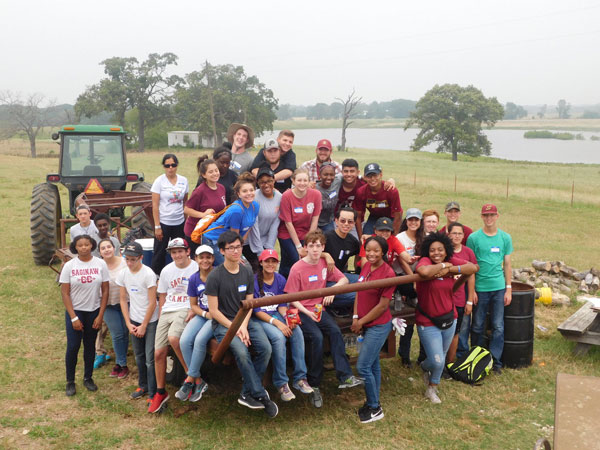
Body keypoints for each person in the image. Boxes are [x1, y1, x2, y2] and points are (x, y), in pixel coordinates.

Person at [285, 231, 363, 409]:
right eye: (311, 246)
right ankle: (314, 384)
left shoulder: (323, 263)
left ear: (323, 247)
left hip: (320, 309)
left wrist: (332, 290)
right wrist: (306, 311)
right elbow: (291, 297)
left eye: (318, 245)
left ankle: (345, 376)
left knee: (335, 332)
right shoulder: (297, 268)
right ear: (305, 248)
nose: (315, 249)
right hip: (302, 310)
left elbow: (343, 279)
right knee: (317, 338)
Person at [206, 231, 278, 418]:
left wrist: (243, 325)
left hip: (245, 321)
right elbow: (213, 311)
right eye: (231, 248)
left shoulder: (247, 271)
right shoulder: (215, 276)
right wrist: (235, 327)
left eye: (238, 247)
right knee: (242, 353)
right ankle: (261, 394)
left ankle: (247, 392)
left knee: (266, 348)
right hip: (224, 324)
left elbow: (249, 302)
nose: (236, 251)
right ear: (222, 251)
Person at [415, 232, 477, 404]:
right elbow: (424, 272)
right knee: (437, 360)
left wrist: (450, 269)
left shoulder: (450, 261)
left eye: (440, 250)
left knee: (440, 357)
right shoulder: (425, 261)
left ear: (446, 250)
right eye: (433, 250)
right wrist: (443, 265)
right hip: (427, 321)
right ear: (428, 251)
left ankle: (431, 389)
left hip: (450, 318)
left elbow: (473, 268)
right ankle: (424, 367)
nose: (436, 253)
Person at [253, 249, 313, 402]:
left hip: (277, 314)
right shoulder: (254, 280)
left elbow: (281, 305)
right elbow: (257, 311)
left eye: (274, 261)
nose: (270, 264)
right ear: (261, 263)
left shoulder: (280, 279)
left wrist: (287, 318)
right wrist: (277, 323)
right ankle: (281, 383)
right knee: (279, 337)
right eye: (267, 261)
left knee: (296, 331)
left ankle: (300, 378)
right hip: (262, 318)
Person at [148, 238, 198, 413]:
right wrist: (161, 313)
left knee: (174, 338)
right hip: (168, 309)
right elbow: (162, 295)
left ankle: (192, 378)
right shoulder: (167, 270)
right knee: (159, 352)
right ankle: (161, 392)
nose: (177, 255)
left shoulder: (196, 267)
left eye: (180, 251)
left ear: (187, 251)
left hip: (186, 307)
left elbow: (201, 291)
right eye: (173, 252)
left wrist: (195, 309)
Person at [351, 236, 395, 423]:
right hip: (363, 322)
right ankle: (373, 402)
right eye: (368, 250)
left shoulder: (388, 274)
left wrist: (361, 323)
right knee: (373, 364)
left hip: (378, 325)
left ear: (383, 252)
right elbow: (359, 294)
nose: (371, 254)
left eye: (376, 250)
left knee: (362, 366)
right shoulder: (366, 265)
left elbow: (382, 306)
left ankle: (375, 407)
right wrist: (355, 317)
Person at [59, 234, 109, 396]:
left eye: (87, 245)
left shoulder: (100, 264)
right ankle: (70, 381)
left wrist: (100, 315)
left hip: (93, 311)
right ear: (75, 247)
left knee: (89, 346)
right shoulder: (69, 266)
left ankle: (88, 378)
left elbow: (105, 290)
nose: (84, 248)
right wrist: (73, 317)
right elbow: (65, 293)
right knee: (73, 347)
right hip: (76, 311)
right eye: (80, 245)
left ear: (92, 246)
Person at [467, 204, 513, 375]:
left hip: (499, 288)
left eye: (491, 215)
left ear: (497, 216)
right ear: (481, 217)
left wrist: (508, 288)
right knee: (478, 325)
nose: (489, 218)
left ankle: (496, 362)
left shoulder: (505, 238)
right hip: (480, 288)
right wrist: (472, 291)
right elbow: (470, 265)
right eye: (485, 215)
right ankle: (477, 360)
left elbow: (507, 264)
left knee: (498, 326)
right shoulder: (474, 238)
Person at [117, 242, 158, 402]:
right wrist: (128, 323)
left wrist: (144, 325)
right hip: (134, 319)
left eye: (133, 259)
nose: (129, 263)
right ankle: (143, 385)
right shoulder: (123, 274)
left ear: (141, 258)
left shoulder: (148, 274)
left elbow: (152, 302)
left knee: (150, 358)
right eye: (127, 259)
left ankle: (154, 392)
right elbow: (122, 299)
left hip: (150, 321)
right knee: (139, 356)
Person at [175, 245, 215, 402]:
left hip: (218, 316)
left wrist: (213, 315)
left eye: (208, 257)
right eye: (201, 257)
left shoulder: (218, 275)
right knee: (184, 340)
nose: (205, 260)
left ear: (213, 258)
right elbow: (193, 305)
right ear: (196, 259)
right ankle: (198, 380)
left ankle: (189, 380)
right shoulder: (194, 278)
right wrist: (205, 314)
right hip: (203, 313)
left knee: (199, 340)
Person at [201, 172, 259, 267]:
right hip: (213, 240)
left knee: (244, 267)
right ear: (238, 194)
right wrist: (236, 253)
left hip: (230, 241)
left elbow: (248, 227)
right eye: (244, 191)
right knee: (231, 267)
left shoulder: (255, 206)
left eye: (251, 190)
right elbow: (234, 236)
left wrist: (239, 249)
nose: (249, 193)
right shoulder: (236, 211)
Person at [277, 168, 322, 278]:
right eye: (299, 180)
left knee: (289, 261)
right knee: (295, 258)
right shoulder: (287, 196)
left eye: (305, 180)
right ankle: (285, 285)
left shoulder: (316, 195)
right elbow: (288, 223)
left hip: (305, 233)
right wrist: (298, 246)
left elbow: (315, 219)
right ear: (293, 181)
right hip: (287, 234)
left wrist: (308, 242)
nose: (302, 183)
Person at [394, 208, 425, 368]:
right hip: (404, 278)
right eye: (410, 219)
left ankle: (423, 355)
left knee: (422, 315)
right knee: (409, 317)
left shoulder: (423, 238)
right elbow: (401, 260)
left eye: (416, 220)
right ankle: (404, 353)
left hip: (419, 277)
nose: (413, 223)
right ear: (406, 221)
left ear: (420, 222)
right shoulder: (400, 237)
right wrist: (413, 280)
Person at [151, 153, 189, 275]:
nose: (170, 168)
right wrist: (157, 226)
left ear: (177, 165)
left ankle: (181, 273)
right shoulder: (159, 181)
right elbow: (155, 205)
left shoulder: (184, 181)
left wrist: (186, 221)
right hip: (164, 222)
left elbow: (185, 202)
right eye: (167, 166)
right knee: (160, 252)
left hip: (179, 222)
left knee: (180, 250)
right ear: (164, 167)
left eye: (173, 165)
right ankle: (157, 277)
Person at [97, 238, 130, 379]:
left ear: (114, 247)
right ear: (100, 252)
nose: (107, 250)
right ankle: (121, 364)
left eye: (108, 247)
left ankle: (121, 362)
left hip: (126, 303)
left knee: (124, 333)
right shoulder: (98, 266)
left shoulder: (124, 263)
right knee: (117, 334)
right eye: (103, 248)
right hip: (108, 305)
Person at [446, 223, 478, 362]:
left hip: (460, 298)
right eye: (454, 233)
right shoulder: (444, 251)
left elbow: (471, 275)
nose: (457, 236)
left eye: (460, 233)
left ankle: (458, 359)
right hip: (445, 298)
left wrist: (469, 300)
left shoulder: (468, 252)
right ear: (448, 234)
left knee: (460, 331)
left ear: (463, 236)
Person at [93, 213, 121, 368]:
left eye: (105, 225)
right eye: (100, 225)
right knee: (101, 321)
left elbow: (119, 257)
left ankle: (118, 354)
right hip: (101, 282)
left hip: (116, 281)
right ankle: (99, 352)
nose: (103, 227)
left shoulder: (115, 241)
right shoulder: (93, 241)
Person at [184, 157, 226, 256]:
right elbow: (186, 209)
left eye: (216, 170)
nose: (215, 173)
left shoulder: (221, 188)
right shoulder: (200, 191)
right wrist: (203, 214)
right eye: (210, 172)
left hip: (212, 232)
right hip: (196, 234)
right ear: (204, 175)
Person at [324, 207, 361, 315]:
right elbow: (305, 252)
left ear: (354, 223)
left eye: (350, 221)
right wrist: (325, 254)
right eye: (342, 220)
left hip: (340, 275)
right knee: (357, 295)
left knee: (366, 283)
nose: (346, 224)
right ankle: (332, 305)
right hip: (324, 279)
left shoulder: (352, 241)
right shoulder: (326, 237)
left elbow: (358, 256)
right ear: (336, 221)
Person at [248, 167, 282, 272]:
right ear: (257, 183)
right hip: (249, 241)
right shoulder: (254, 197)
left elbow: (275, 224)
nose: (266, 185)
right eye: (262, 182)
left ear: (274, 180)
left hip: (265, 241)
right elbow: (254, 225)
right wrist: (260, 252)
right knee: (256, 270)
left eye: (269, 181)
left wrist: (269, 248)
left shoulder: (280, 197)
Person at [354, 163, 403, 236]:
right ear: (365, 177)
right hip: (374, 217)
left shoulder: (391, 190)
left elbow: (398, 215)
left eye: (375, 175)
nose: (372, 179)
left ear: (380, 175)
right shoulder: (361, 192)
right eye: (369, 176)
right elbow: (358, 216)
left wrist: (394, 236)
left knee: (389, 240)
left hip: (391, 217)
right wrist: (361, 237)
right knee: (367, 239)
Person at [315, 162, 342, 233]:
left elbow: (349, 175)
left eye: (331, 175)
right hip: (314, 222)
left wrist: (362, 178)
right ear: (319, 175)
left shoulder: (337, 181)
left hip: (328, 222)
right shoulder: (314, 188)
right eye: (325, 174)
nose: (329, 177)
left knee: (330, 238)